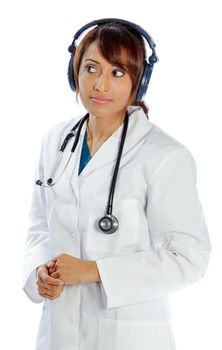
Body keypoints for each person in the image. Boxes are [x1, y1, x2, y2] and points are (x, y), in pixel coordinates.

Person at [22, 18, 212, 350]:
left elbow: (190, 257)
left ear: (139, 82)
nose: (100, 85)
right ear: (74, 72)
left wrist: (95, 271)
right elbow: (39, 224)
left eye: (118, 73)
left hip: (128, 336)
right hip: (58, 333)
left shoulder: (165, 155)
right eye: (91, 68)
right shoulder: (55, 141)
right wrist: (40, 271)